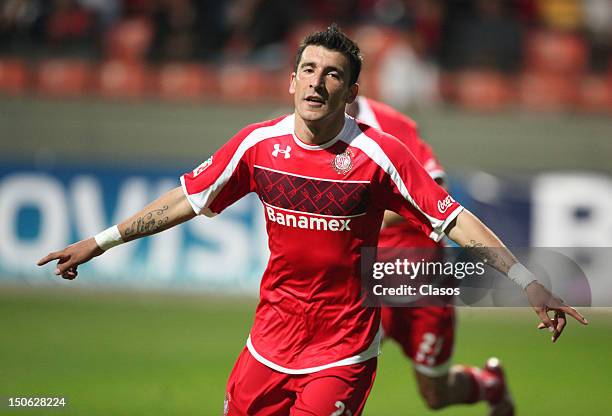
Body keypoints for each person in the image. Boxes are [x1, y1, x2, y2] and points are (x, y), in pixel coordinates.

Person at [37, 26, 586, 416]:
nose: (318, 83)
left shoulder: (384, 149)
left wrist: (527, 282)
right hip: (267, 343)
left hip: (352, 338)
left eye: (333, 75)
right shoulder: (257, 144)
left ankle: (483, 383)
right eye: (308, 70)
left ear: (351, 93)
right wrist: (98, 242)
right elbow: (187, 199)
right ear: (292, 81)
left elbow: (452, 217)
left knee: (432, 392)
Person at [347, 96, 513, 415]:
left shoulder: (391, 125)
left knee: (435, 394)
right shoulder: (314, 129)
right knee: (342, 363)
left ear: (351, 85)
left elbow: (436, 187)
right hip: (367, 274)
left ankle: (489, 384)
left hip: (419, 271)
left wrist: (372, 220)